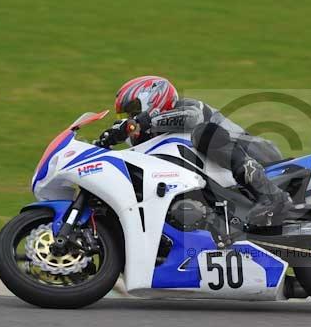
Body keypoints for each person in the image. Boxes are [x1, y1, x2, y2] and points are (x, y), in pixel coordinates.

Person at [97, 75, 293, 226]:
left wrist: (143, 121)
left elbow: (192, 118)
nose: (131, 117)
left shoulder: (188, 107)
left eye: (134, 110)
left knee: (204, 133)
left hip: (259, 154)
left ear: (153, 97)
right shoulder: (155, 139)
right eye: (127, 114)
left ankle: (271, 195)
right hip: (222, 184)